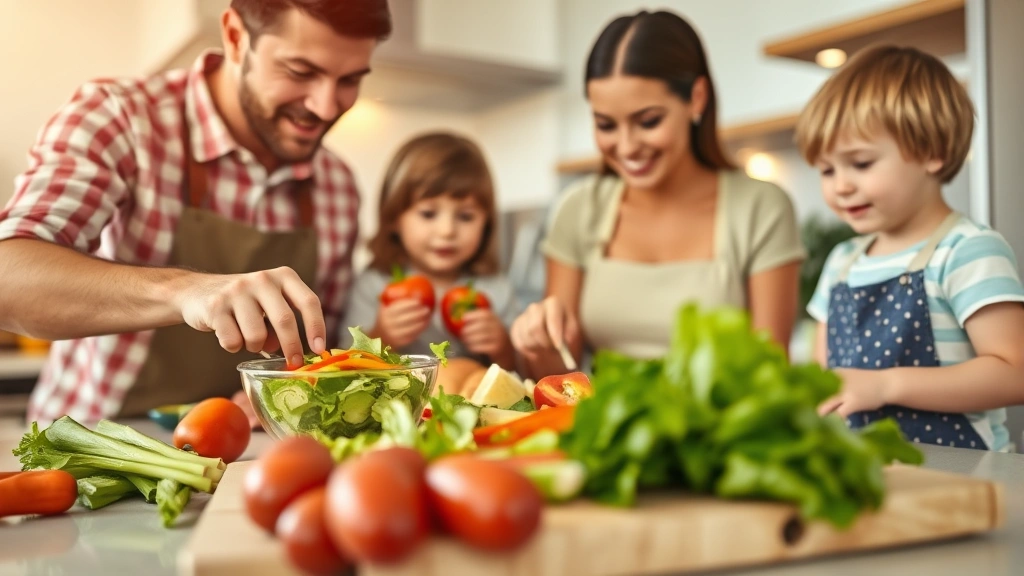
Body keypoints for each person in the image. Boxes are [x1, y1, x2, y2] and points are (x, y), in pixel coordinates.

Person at [0, 0, 391, 424]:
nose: (326, 107)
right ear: (237, 37)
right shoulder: (122, 117)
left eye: (350, 80)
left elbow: (319, 345)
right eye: (300, 72)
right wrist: (184, 291)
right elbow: (9, 278)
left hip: (242, 450)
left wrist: (286, 388)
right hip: (90, 446)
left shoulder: (337, 184)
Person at [510, 10, 805, 378]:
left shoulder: (762, 208)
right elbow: (557, 374)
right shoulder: (579, 209)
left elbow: (770, 370)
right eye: (606, 125)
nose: (627, 146)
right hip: (603, 429)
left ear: (697, 98)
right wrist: (536, 342)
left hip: (722, 431)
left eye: (648, 121)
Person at [799, 45, 1024, 451]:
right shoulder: (842, 263)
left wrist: (887, 385)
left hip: (967, 482)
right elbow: (824, 378)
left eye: (861, 164)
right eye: (827, 170)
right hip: (867, 476)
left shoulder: (966, 250)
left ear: (931, 152)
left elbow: (1016, 372)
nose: (840, 185)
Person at [342, 132, 518, 373]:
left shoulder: (496, 289)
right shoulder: (374, 284)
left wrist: (502, 348)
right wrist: (381, 337)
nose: (447, 231)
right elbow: (344, 364)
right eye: (428, 214)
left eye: (465, 216)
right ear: (394, 217)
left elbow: (518, 373)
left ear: (486, 224)